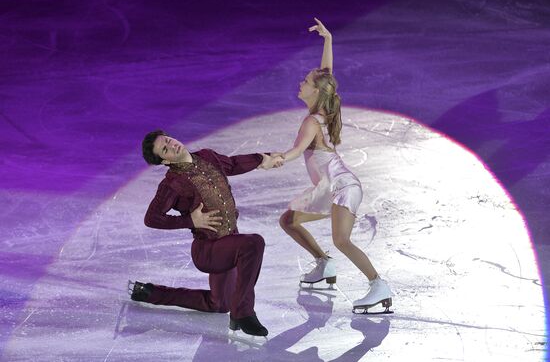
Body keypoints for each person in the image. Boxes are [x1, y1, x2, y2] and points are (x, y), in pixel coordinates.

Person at [276, 18, 392, 313]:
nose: (300, 83)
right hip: (331, 187)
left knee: (341, 239)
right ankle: (323, 264)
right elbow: (326, 75)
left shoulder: (312, 121)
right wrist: (327, 40)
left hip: (342, 186)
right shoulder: (324, 107)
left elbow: (296, 150)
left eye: (305, 82)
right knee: (289, 221)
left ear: (314, 92)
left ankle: (378, 286)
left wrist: (274, 160)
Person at [129, 130, 283, 336]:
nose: (172, 145)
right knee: (253, 243)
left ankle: (149, 292)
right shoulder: (172, 183)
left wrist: (261, 159)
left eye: (168, 140)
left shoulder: (206, 157)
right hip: (209, 249)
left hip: (230, 240)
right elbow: (152, 218)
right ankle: (243, 313)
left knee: (219, 304)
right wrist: (190, 220)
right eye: (165, 149)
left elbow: (233, 164)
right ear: (164, 161)